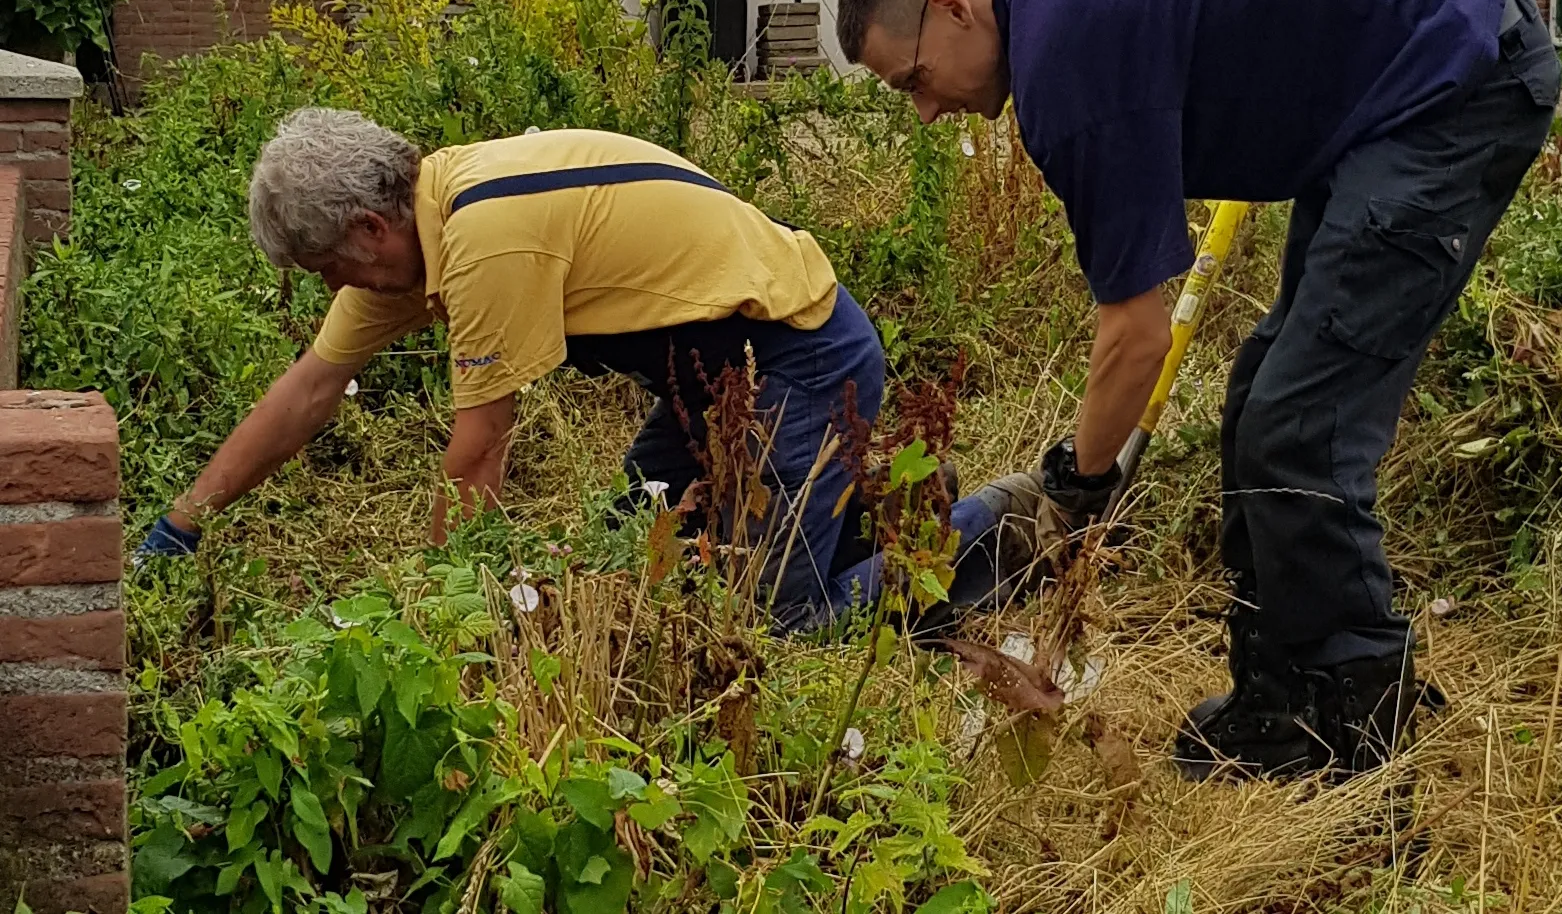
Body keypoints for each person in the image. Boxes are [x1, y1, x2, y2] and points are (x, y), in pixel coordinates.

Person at [835, 0, 1559, 777]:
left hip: (1458, 84)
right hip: (1392, 94)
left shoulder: (1066, 68)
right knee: (1262, 399)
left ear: (950, 7)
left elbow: (1134, 335)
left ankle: (1355, 728)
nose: (927, 112)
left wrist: (1076, 489)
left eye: (912, 81)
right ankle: (1276, 694)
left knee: (1302, 427)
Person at [135, 108, 1044, 633]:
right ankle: (878, 511)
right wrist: (181, 524)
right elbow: (307, 392)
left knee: (773, 625)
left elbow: (478, 452)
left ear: (370, 228)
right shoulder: (427, 222)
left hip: (800, 362)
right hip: (713, 380)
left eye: (331, 270)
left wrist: (447, 618)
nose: (338, 290)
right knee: (632, 550)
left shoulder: (486, 235)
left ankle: (1001, 525)